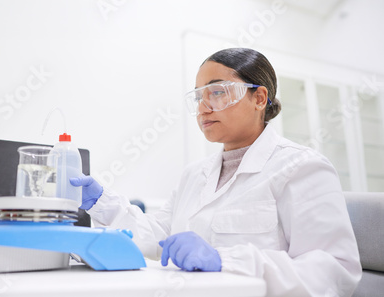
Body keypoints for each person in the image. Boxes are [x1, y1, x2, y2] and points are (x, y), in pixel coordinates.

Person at [70, 48, 362, 297]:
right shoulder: (194, 174)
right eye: (199, 97)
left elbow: (333, 272)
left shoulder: (301, 167)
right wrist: (101, 202)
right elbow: (160, 237)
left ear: (260, 98)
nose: (204, 108)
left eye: (218, 92)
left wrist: (224, 259)